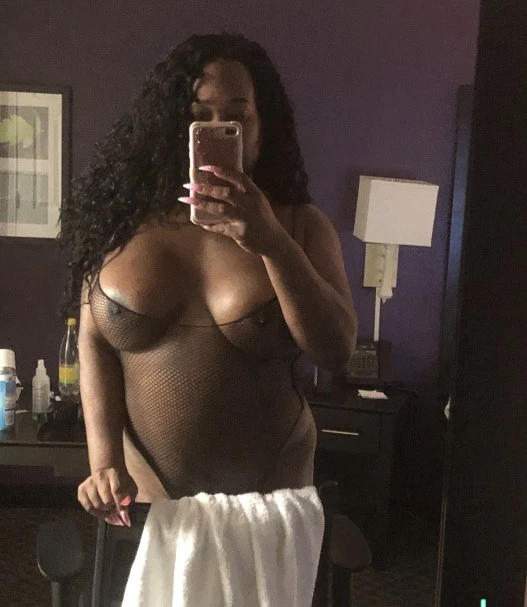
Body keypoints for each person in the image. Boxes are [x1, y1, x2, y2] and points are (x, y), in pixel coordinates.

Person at [58, 32, 357, 527]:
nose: (218, 128)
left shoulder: (301, 225)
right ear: (174, 127)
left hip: (267, 508)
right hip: (145, 508)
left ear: (262, 127)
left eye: (236, 117)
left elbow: (335, 349)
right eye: (199, 116)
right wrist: (103, 461)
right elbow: (95, 340)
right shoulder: (118, 223)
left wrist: (274, 245)